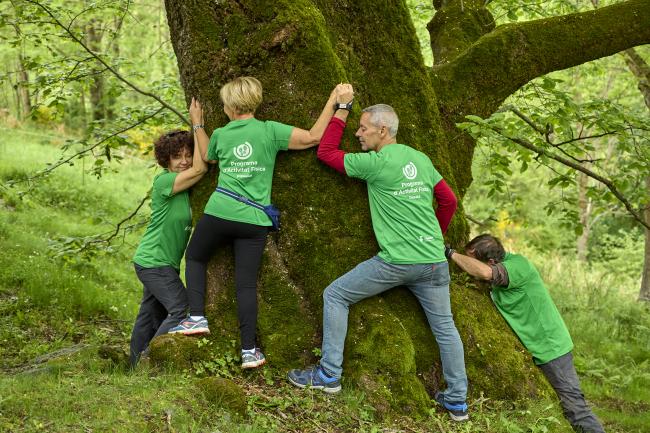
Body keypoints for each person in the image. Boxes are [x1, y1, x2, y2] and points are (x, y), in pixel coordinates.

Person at [287, 84, 470, 422]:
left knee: (335, 294)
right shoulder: (420, 158)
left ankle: (328, 375)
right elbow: (449, 201)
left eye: (364, 128)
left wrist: (342, 109)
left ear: (383, 130)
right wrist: (435, 237)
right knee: (445, 329)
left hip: (397, 263)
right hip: (433, 262)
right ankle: (457, 402)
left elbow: (326, 152)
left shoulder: (376, 163)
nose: (359, 133)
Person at [169, 76, 338, 369]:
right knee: (245, 285)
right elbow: (313, 136)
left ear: (231, 107)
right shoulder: (270, 131)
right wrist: (334, 100)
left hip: (220, 213)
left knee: (195, 257)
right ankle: (249, 350)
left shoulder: (221, 134)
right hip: (254, 220)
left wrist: (197, 123)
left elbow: (208, 156)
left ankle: (196, 317)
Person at [446, 234, 606, 433]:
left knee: (576, 409)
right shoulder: (509, 265)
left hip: (551, 347)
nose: (468, 264)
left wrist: (451, 254)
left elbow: (486, 274)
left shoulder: (517, 267)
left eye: (472, 259)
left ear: (491, 262)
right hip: (538, 345)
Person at [129, 98, 208, 367]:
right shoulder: (164, 182)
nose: (184, 161)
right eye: (177, 157)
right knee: (181, 309)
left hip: (164, 265)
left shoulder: (189, 190)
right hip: (153, 262)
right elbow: (201, 167)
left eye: (188, 154)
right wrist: (197, 123)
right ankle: (150, 360)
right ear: (166, 160)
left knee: (149, 315)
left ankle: (132, 364)